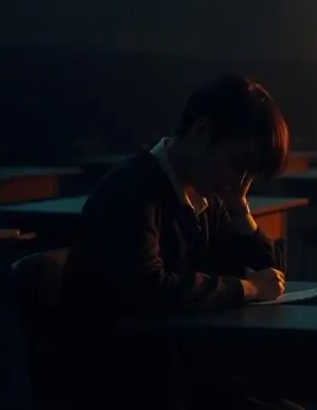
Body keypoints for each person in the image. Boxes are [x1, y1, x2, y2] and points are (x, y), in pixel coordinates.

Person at [63, 74, 302, 410]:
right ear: (201, 132)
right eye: (237, 164)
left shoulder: (209, 200)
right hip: (124, 386)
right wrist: (247, 288)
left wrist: (239, 208)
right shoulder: (132, 189)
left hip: (179, 377)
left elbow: (271, 275)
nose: (238, 182)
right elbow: (149, 289)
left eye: (249, 175)